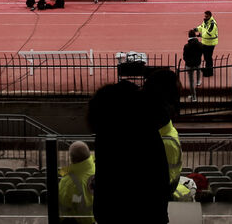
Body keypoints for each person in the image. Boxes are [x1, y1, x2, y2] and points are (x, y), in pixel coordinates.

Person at [86, 80, 171, 224]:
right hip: (149, 212)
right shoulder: (147, 130)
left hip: (112, 212)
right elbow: (160, 175)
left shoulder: (105, 133)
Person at [58, 140, 95, 223]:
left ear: (71, 159)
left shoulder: (68, 181)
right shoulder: (94, 167)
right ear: (88, 154)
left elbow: (64, 204)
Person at [182, 28, 203, 101]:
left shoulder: (186, 46)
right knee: (198, 69)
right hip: (197, 62)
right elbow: (201, 53)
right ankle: (198, 80)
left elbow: (184, 56)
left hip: (189, 65)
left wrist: (188, 62)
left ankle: (194, 97)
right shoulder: (200, 44)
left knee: (191, 81)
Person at [197, 10, 218, 80]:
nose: (205, 17)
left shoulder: (212, 24)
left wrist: (200, 34)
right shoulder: (206, 21)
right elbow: (202, 27)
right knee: (206, 57)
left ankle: (209, 72)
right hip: (205, 42)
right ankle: (208, 69)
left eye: (206, 16)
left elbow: (209, 33)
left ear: (210, 16)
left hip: (210, 43)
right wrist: (196, 29)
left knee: (208, 57)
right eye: (204, 16)